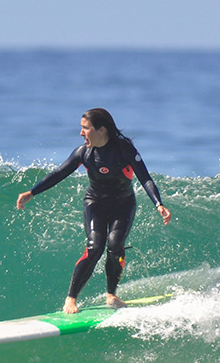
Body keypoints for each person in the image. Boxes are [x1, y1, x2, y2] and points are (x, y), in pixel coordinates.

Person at [16, 108, 172, 313]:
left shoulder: (124, 149)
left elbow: (145, 178)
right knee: (94, 247)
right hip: (95, 203)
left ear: (101, 130)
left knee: (116, 245)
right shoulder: (84, 153)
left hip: (123, 203)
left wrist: (158, 204)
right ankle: (70, 299)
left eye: (85, 128)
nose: (81, 133)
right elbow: (59, 173)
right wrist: (32, 192)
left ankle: (111, 295)